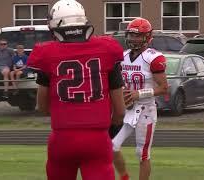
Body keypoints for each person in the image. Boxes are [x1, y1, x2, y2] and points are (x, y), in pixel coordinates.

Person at [27, 0, 125, 179]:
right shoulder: (107, 48)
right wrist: (104, 134)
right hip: (98, 138)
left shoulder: (46, 54)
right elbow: (119, 111)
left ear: (55, 25)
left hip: (62, 139)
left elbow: (42, 106)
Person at [112, 18, 168, 180]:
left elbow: (164, 88)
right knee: (112, 147)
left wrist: (139, 94)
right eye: (131, 35)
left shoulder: (153, 57)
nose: (133, 39)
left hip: (146, 111)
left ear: (147, 37)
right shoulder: (123, 56)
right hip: (128, 108)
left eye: (137, 36)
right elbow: (119, 82)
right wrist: (122, 92)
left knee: (142, 153)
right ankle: (124, 177)